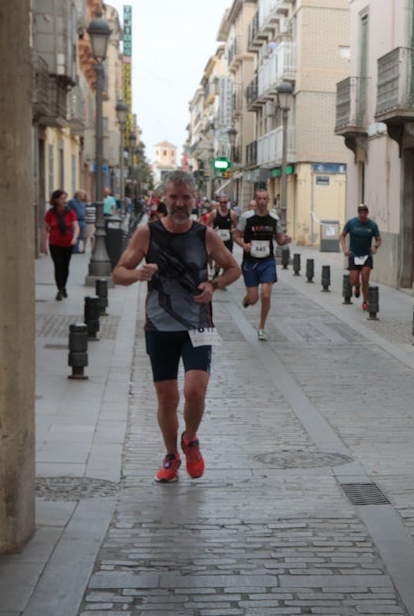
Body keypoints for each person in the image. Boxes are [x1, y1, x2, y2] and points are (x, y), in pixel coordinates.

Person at [110, 169, 241, 483]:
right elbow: (118, 273)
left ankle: (190, 439)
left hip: (199, 325)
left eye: (185, 198)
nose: (180, 204)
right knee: (167, 399)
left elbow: (233, 268)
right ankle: (171, 456)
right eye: (174, 197)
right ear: (164, 199)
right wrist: (138, 273)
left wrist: (214, 285)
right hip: (159, 326)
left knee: (195, 392)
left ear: (194, 199)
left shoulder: (205, 235)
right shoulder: (148, 234)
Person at [235, 188, 289, 339]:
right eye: (259, 199)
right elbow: (237, 236)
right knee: (253, 299)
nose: (262, 202)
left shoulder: (274, 219)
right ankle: (247, 299)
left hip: (267, 261)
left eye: (265, 199)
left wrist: (285, 240)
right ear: (255, 200)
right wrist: (243, 245)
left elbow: (279, 240)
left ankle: (261, 327)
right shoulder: (246, 217)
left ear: (268, 201)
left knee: (266, 294)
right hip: (250, 262)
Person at [40, 189, 79, 300]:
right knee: (58, 266)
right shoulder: (50, 213)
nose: (64, 201)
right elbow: (45, 229)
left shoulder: (70, 212)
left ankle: (63, 286)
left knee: (65, 266)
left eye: (65, 198)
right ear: (56, 200)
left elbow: (76, 227)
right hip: (54, 243)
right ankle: (60, 289)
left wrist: (75, 237)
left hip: (68, 243)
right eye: (62, 198)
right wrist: (43, 245)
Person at [341, 205, 382, 309]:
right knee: (353, 280)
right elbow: (342, 236)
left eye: (364, 212)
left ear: (367, 213)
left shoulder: (372, 225)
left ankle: (365, 301)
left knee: (365, 279)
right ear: (358, 213)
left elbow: (378, 239)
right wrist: (345, 249)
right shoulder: (351, 223)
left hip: (366, 255)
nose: (362, 214)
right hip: (354, 254)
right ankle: (357, 286)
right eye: (361, 212)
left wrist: (375, 247)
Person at [208, 196, 236, 284]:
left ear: (227, 203)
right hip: (217, 240)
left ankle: (222, 278)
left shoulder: (232, 214)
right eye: (221, 203)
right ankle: (216, 275)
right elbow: (207, 224)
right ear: (219, 204)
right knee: (219, 261)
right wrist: (211, 230)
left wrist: (233, 230)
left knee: (227, 261)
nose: (223, 204)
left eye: (225, 202)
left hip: (228, 239)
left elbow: (237, 226)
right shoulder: (214, 213)